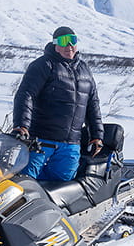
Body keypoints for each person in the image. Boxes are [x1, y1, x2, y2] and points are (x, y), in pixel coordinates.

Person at [12, 26, 103, 180]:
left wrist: (96, 135)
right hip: (40, 141)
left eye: (72, 41)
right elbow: (25, 95)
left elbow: (92, 104)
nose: (69, 46)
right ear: (55, 44)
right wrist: (21, 125)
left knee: (62, 183)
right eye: (63, 41)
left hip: (71, 144)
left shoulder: (84, 70)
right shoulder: (43, 65)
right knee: (26, 181)